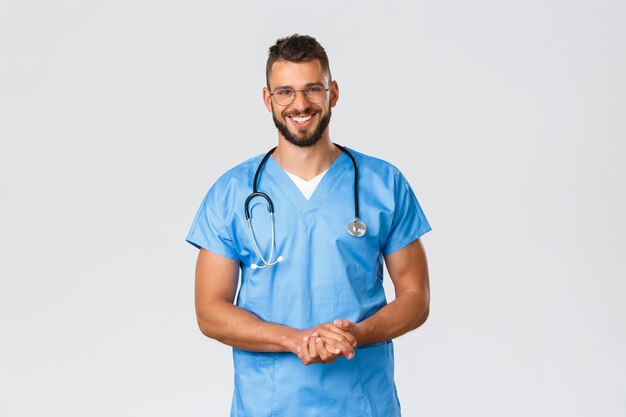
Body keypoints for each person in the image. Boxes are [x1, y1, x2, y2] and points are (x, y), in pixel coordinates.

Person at [186, 34, 431, 417]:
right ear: (268, 100)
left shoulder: (383, 184)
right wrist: (293, 339)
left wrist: (355, 334)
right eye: (285, 92)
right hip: (268, 405)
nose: (300, 104)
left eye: (312, 89)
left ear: (333, 93)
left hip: (362, 404)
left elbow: (416, 297)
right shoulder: (232, 193)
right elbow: (209, 310)